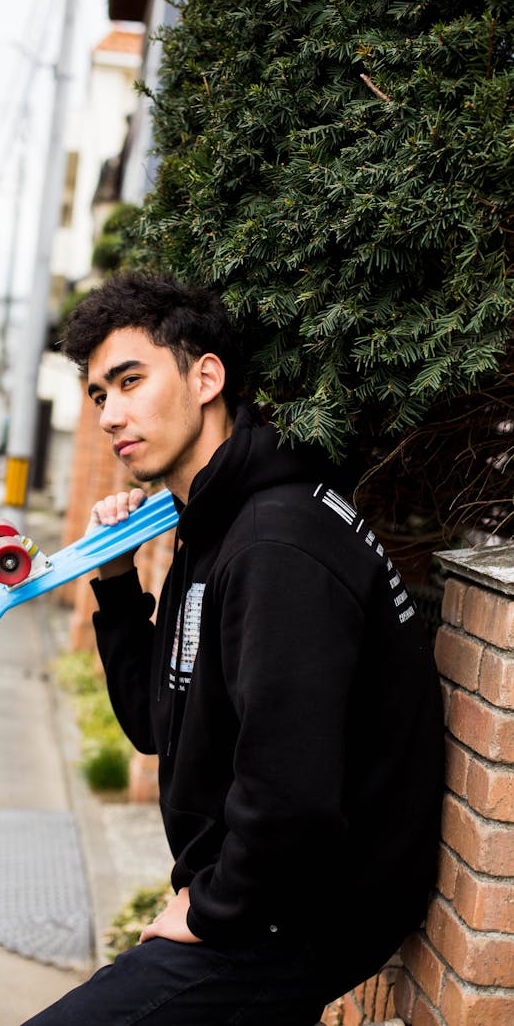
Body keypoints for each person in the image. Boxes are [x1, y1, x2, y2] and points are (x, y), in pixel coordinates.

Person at [23, 272, 445, 1026]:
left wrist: (216, 908)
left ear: (205, 376)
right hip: (260, 888)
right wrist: (118, 586)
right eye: (98, 396)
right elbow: (158, 724)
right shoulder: (209, 521)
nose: (111, 414)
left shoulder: (276, 544)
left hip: (303, 910)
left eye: (130, 380)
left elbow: (291, 787)